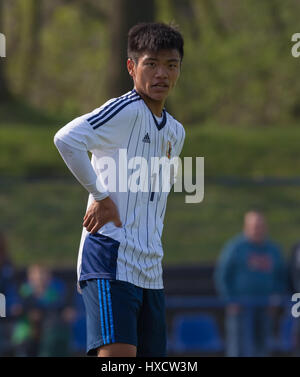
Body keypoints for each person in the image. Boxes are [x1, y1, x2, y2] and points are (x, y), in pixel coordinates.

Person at [54, 22, 185, 357]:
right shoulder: (124, 111)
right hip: (110, 257)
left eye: (171, 65)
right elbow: (66, 139)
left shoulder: (175, 132)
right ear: (131, 67)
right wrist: (100, 195)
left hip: (151, 268)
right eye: (151, 63)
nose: (161, 74)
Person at [214, 211, 287, 357]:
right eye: (254, 226)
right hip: (240, 308)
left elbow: (281, 277)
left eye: (260, 226)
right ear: (246, 227)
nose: (257, 229)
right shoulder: (235, 248)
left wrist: (275, 298)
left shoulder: (273, 250)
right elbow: (222, 275)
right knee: (237, 348)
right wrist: (230, 300)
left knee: (263, 347)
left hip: (264, 307)